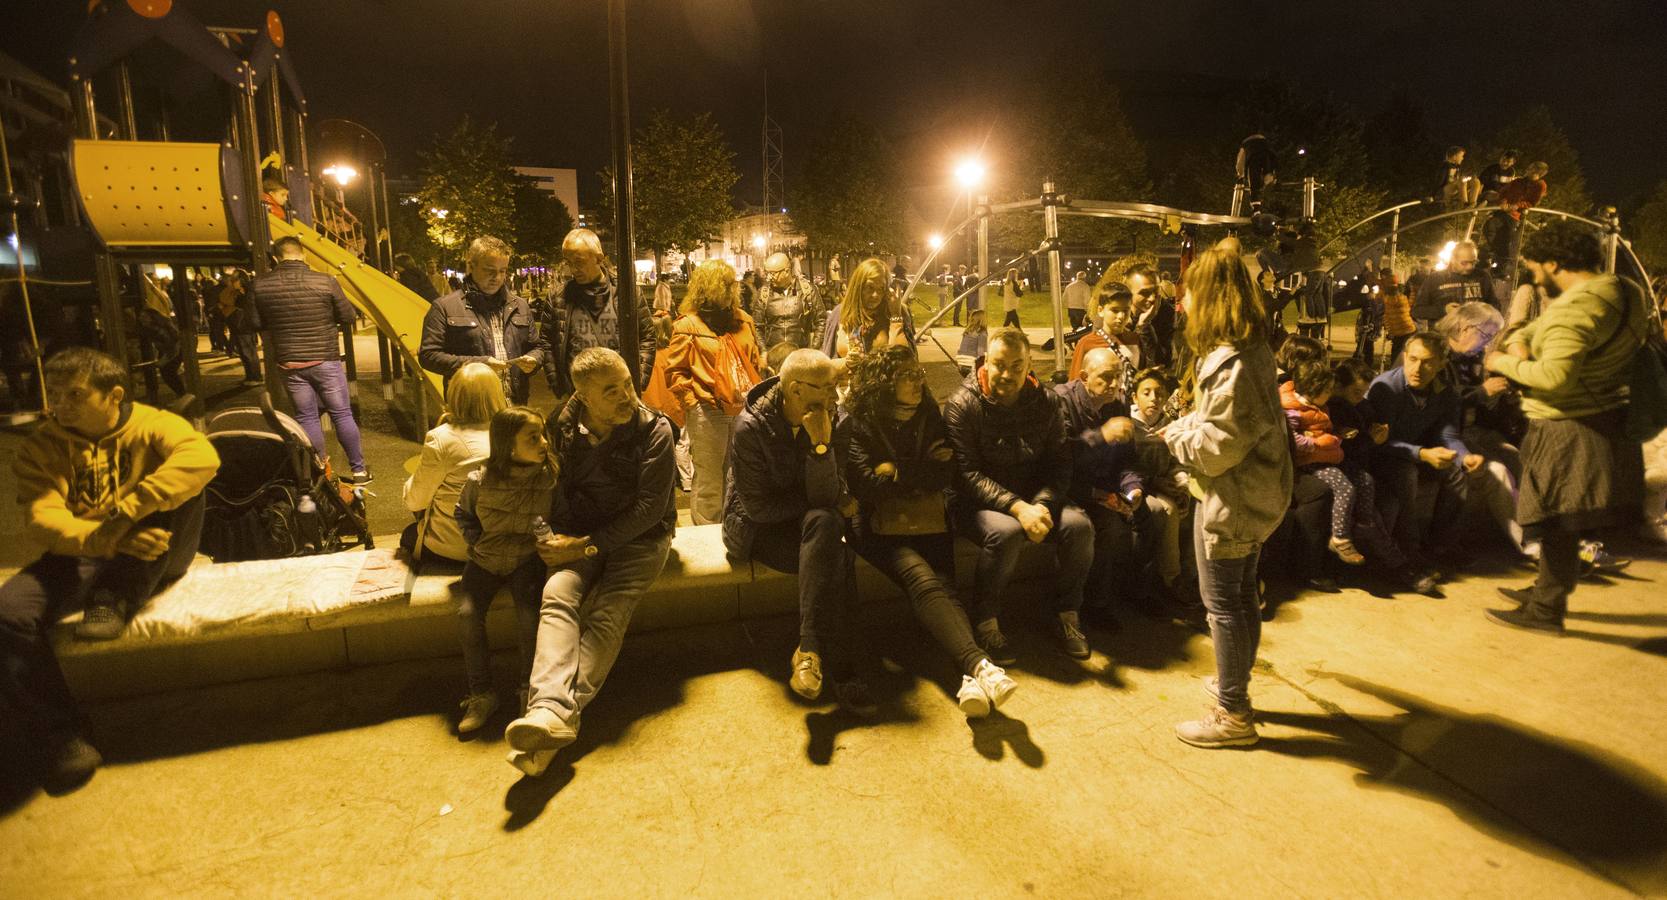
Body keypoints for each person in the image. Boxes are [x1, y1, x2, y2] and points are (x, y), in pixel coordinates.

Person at [0, 348, 220, 790]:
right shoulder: (44, 445)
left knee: (178, 483)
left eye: (74, 395)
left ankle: (115, 596)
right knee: (7, 609)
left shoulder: (152, 424)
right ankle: (63, 738)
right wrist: (108, 537)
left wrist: (129, 511)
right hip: (84, 553)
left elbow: (203, 458)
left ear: (113, 395)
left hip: (160, 548)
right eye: (55, 394)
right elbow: (44, 518)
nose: (60, 405)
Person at [504, 347, 677, 776]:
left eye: (627, 385)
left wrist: (584, 546)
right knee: (557, 594)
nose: (626, 397)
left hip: (640, 540)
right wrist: (551, 535)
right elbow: (549, 483)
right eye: (611, 391)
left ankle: (550, 714)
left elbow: (649, 512)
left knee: (608, 612)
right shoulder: (561, 424)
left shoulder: (655, 431)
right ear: (582, 397)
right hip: (578, 533)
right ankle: (550, 722)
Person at [1484, 222, 1648, 634]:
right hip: (1606, 417)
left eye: (1535, 268)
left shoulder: (1574, 310)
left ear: (1554, 263)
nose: (1533, 277)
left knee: (1555, 520)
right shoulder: (1626, 291)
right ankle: (1545, 590)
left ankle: (1545, 612)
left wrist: (1502, 362)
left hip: (1567, 427)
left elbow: (1556, 376)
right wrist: (1524, 336)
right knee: (1564, 520)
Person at [1161, 247, 1292, 748]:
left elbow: (1216, 448)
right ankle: (1234, 683)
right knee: (1240, 599)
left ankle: (1233, 715)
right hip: (1249, 498)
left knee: (1223, 607)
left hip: (1232, 504)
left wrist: (1173, 436)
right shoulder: (1248, 349)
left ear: (1211, 297)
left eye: (1190, 291)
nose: (1184, 301)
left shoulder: (1233, 363)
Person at [843, 346, 1018, 717]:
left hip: (928, 518)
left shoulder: (928, 413)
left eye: (917, 373)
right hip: (877, 526)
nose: (916, 381)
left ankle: (969, 681)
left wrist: (897, 470)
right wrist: (915, 471)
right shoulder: (859, 421)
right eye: (906, 375)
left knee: (945, 586)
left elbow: (945, 473)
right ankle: (980, 665)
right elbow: (868, 487)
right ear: (884, 381)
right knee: (923, 580)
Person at [723, 349, 873, 713]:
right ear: (793, 389)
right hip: (758, 528)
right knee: (833, 552)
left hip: (810, 524)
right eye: (822, 388)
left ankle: (808, 651)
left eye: (833, 385)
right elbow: (758, 507)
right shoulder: (750, 427)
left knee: (825, 528)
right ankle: (844, 666)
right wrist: (822, 500)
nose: (832, 395)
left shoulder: (836, 420)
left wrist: (821, 446)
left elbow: (827, 495)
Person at [943, 328, 1095, 662]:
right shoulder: (962, 405)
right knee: (1006, 533)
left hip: (1033, 496)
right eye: (999, 365)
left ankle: (1067, 615)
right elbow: (967, 475)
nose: (1007, 374)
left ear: (1028, 366)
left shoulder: (1047, 401)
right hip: (976, 502)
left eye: (1016, 366)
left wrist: (1039, 505)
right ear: (986, 362)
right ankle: (985, 621)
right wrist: (1017, 508)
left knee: (1080, 526)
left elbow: (1060, 464)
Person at [451, 406, 556, 735]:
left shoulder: (549, 477)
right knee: (467, 616)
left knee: (529, 617)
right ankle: (481, 694)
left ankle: (529, 693)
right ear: (509, 446)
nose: (544, 443)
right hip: (485, 560)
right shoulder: (480, 480)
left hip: (527, 559)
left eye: (543, 435)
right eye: (533, 438)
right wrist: (477, 540)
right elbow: (463, 514)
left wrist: (548, 539)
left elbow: (561, 515)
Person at [247, 235, 370, 482]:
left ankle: (320, 471)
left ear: (275, 258)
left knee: (307, 417)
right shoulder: (325, 281)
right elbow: (347, 316)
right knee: (342, 414)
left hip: (290, 363)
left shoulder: (260, 285)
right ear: (302, 254)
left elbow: (253, 322)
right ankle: (359, 471)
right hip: (326, 359)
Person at [1366, 333, 1484, 566]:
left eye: (1427, 361)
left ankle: (1443, 544)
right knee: (1406, 475)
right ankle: (1409, 549)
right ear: (1404, 357)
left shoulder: (1445, 392)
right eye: (1412, 359)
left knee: (1457, 473)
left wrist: (1464, 456)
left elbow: (1448, 435)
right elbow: (1379, 442)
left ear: (1442, 363)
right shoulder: (1386, 388)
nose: (1417, 368)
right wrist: (1422, 453)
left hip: (1418, 453)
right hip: (1385, 456)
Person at [1056, 347, 1154, 621]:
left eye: (1118, 376)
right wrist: (1102, 435)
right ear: (1085, 376)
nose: (1114, 384)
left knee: (1150, 513)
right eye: (1106, 377)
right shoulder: (1062, 401)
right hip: (1069, 490)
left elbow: (1127, 459)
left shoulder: (1116, 403)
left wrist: (1133, 489)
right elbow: (1061, 460)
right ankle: (1093, 605)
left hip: (1105, 489)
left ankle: (1141, 593)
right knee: (1105, 526)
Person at [664, 259, 764, 525]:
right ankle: (707, 533)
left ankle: (731, 527)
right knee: (709, 477)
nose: (735, 288)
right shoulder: (688, 325)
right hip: (706, 408)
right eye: (728, 283)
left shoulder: (744, 321)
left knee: (736, 473)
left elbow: (753, 361)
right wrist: (691, 402)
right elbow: (675, 371)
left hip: (740, 407)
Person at [420, 236, 542, 406]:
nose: (497, 277)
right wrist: (479, 364)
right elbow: (428, 356)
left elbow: (537, 346)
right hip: (470, 409)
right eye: (489, 270)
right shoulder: (444, 307)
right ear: (471, 266)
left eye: (502, 271)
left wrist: (534, 360)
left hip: (515, 405)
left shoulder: (519, 305)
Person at [402, 363, 505, 563]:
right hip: (505, 546)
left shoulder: (441, 438)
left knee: (409, 535)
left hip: (454, 549)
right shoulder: (513, 432)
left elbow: (415, 500)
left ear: (454, 394)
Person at [539, 228, 657, 401]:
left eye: (579, 262)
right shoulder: (558, 297)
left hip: (619, 394)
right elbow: (547, 342)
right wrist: (559, 386)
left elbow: (647, 337)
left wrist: (636, 383)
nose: (573, 269)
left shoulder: (628, 293)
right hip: (576, 395)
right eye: (568, 262)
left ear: (599, 259)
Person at [821, 257, 914, 360]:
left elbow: (904, 360)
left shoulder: (894, 312)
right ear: (858, 287)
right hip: (847, 375)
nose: (876, 295)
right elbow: (827, 361)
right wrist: (846, 364)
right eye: (870, 287)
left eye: (881, 288)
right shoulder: (840, 312)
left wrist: (896, 316)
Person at [1068, 280, 1140, 395]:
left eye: (1125, 311)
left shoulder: (1135, 340)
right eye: (1115, 310)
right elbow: (1075, 385)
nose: (1121, 316)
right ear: (1101, 311)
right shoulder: (1087, 343)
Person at [748, 251, 826, 352]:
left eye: (773, 273)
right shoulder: (764, 293)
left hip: (800, 356)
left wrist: (813, 349)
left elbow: (821, 320)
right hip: (773, 356)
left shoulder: (807, 290)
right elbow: (756, 326)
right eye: (767, 273)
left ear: (786, 271)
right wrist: (763, 352)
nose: (769, 277)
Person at [1413, 241, 1495, 327]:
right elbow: (1417, 311)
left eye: (1473, 262)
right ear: (1453, 259)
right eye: (1464, 263)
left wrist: (1482, 312)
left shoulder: (1482, 277)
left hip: (1475, 336)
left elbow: (1495, 305)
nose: (1470, 267)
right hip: (1444, 338)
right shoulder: (1435, 279)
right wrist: (1444, 310)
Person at [1127, 263, 1177, 370]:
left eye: (1156, 291)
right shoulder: (1117, 313)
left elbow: (1162, 362)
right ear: (1129, 293)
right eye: (1144, 293)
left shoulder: (1166, 312)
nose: (1152, 298)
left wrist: (1145, 326)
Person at [222, 272, 263, 385]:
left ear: (240, 280)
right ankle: (250, 376)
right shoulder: (241, 292)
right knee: (245, 352)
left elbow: (226, 300)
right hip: (241, 326)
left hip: (245, 326)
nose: (231, 282)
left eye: (234, 280)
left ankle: (255, 377)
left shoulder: (247, 292)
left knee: (248, 352)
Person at [1380, 276, 1417, 369]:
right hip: (1409, 329)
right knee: (1405, 353)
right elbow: (1411, 303)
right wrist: (1412, 292)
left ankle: (1395, 372)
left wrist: (1389, 331)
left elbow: (1386, 318)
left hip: (1397, 332)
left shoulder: (1386, 300)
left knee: (1396, 355)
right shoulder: (1403, 299)